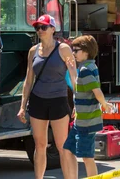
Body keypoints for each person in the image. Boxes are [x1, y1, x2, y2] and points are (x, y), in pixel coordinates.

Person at [17, 15, 78, 179]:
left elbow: (74, 77)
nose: (40, 30)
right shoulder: (33, 51)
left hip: (58, 100)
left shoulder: (63, 49)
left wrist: (77, 103)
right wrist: (23, 106)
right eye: (37, 27)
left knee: (62, 146)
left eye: (44, 27)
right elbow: (28, 80)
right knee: (40, 144)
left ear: (53, 29)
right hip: (38, 100)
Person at [63, 35, 114, 178]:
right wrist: (71, 69)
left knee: (87, 157)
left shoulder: (86, 69)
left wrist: (104, 104)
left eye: (76, 50)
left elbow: (96, 91)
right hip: (81, 122)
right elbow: (78, 89)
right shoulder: (88, 67)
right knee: (67, 150)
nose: (73, 53)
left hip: (87, 123)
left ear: (86, 51)